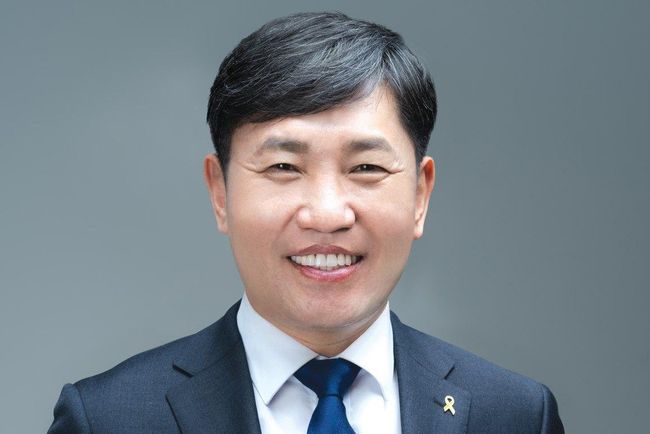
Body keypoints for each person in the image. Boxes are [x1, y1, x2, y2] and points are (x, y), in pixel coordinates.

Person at [48, 11, 564, 434]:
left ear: (420, 195)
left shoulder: (515, 415)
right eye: (283, 167)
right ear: (220, 192)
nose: (327, 215)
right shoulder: (109, 419)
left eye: (366, 168)